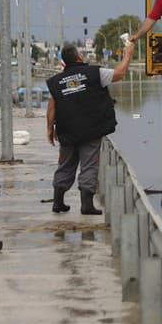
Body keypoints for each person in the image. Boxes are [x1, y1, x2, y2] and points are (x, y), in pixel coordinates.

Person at [46, 42, 135, 215]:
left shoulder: (56, 82)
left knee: (65, 164)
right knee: (89, 165)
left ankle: (58, 202)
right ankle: (86, 205)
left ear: (64, 61)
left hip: (67, 130)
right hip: (91, 129)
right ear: (79, 57)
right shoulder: (95, 73)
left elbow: (51, 107)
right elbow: (120, 73)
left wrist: (50, 128)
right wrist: (127, 55)